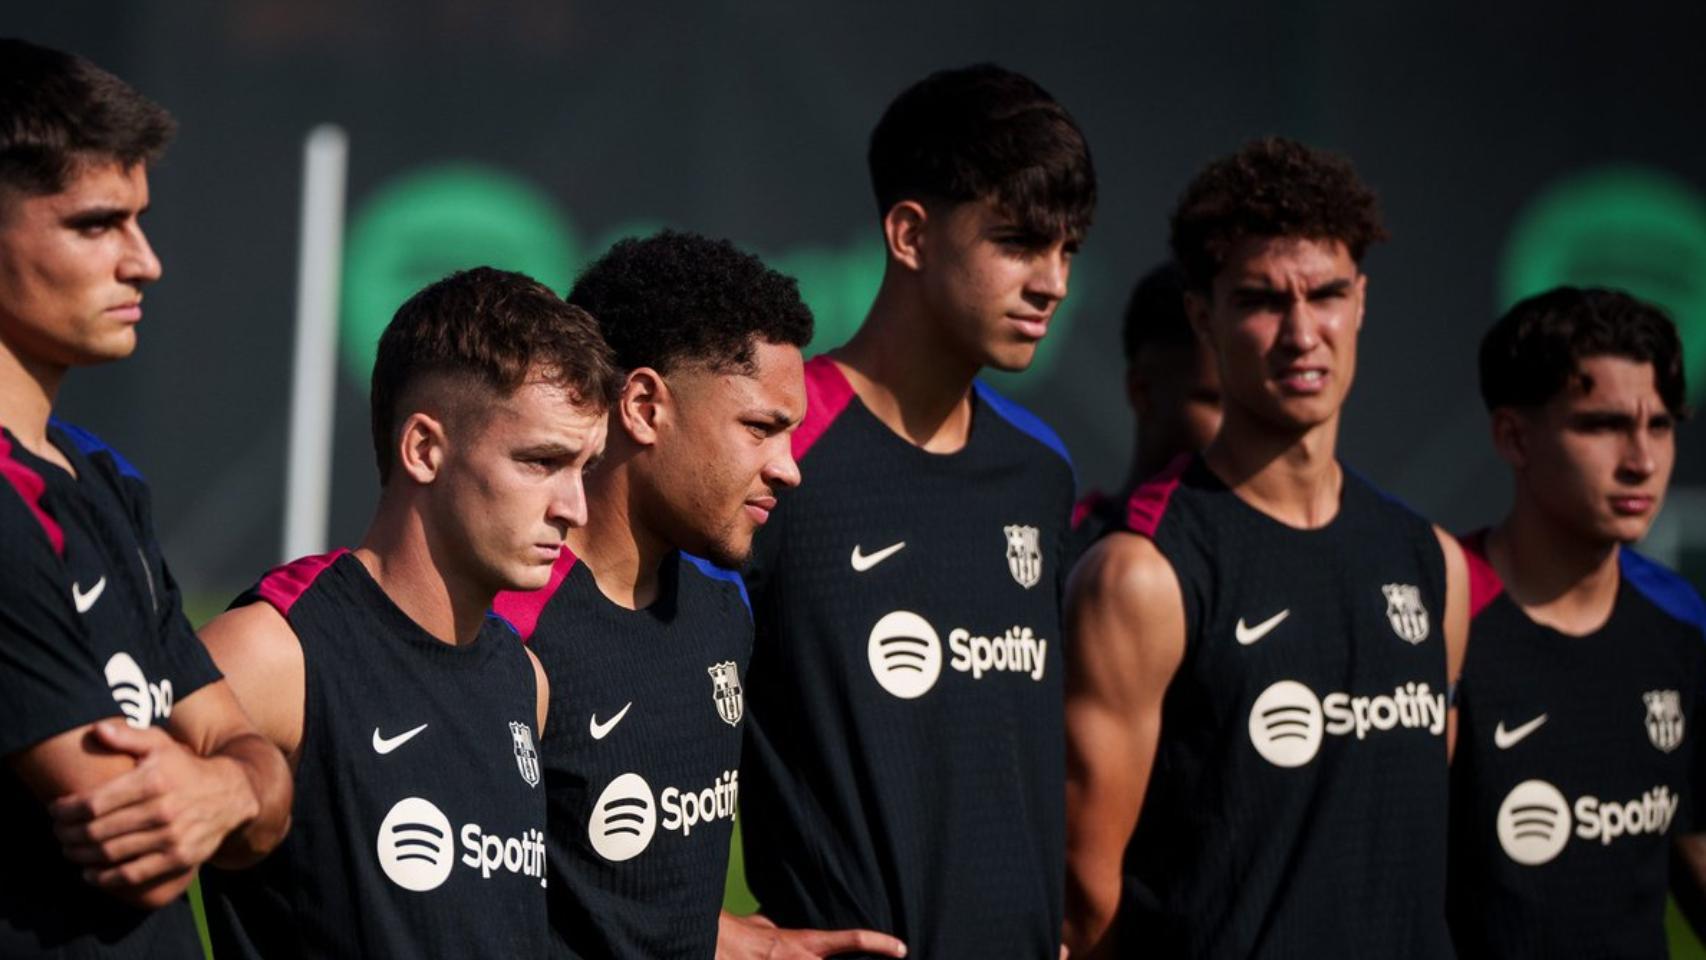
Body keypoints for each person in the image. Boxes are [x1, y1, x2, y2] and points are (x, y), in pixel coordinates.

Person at [1063, 137, 1469, 958]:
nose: (1301, 333)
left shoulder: (1434, 563)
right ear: (1202, 317)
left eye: (1326, 294)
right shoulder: (1140, 575)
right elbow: (1084, 897)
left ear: (1361, 300)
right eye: (1260, 300)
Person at [728, 63, 1094, 958]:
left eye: (1069, 250)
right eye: (1018, 242)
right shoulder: (778, 449)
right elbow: (621, 688)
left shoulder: (1040, 468)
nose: (1052, 281)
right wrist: (713, 936)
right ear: (910, 235)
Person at [488, 230, 900, 958]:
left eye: (791, 434)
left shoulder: (723, 608)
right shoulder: (503, 634)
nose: (789, 468)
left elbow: (614, 899)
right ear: (645, 406)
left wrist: (732, 941)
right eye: (760, 428)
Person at [196, 267, 618, 957]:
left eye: (584, 468)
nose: (575, 508)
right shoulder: (276, 650)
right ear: (424, 449)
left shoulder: (526, 680)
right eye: (542, 462)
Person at [0, 37, 291, 957]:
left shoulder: (101, 481)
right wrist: (229, 788)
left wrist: (233, 786)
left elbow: (259, 783)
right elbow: (143, 843)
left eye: (140, 220)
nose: (145, 262)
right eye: (97, 224)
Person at [1447, 286, 1706, 957]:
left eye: (1660, 426)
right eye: (1602, 425)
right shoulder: (1441, 618)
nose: (1642, 462)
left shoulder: (1680, 621)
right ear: (1513, 436)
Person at [1071, 260, 1222, 555]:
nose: (1242, 427)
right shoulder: (1059, 553)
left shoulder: (1280, 551)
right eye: (1215, 401)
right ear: (1142, 392)